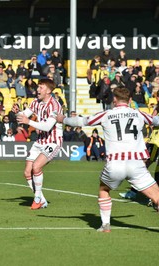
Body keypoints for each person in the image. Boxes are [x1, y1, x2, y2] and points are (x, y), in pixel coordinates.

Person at [56, 87, 159, 232]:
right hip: (136, 164)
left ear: (114, 100)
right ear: (130, 101)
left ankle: (105, 225)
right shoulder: (139, 114)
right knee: (157, 197)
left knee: (104, 190)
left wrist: (63, 119)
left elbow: (83, 121)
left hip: (115, 163)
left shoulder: (106, 115)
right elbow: (156, 120)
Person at [16, 78, 63, 210]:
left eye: (41, 88)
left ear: (48, 91)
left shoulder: (55, 106)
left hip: (53, 141)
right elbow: (23, 115)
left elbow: (48, 127)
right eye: (38, 87)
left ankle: (37, 199)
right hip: (40, 141)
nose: (37, 90)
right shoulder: (36, 102)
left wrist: (28, 121)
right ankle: (42, 200)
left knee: (36, 167)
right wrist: (17, 112)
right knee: (27, 172)